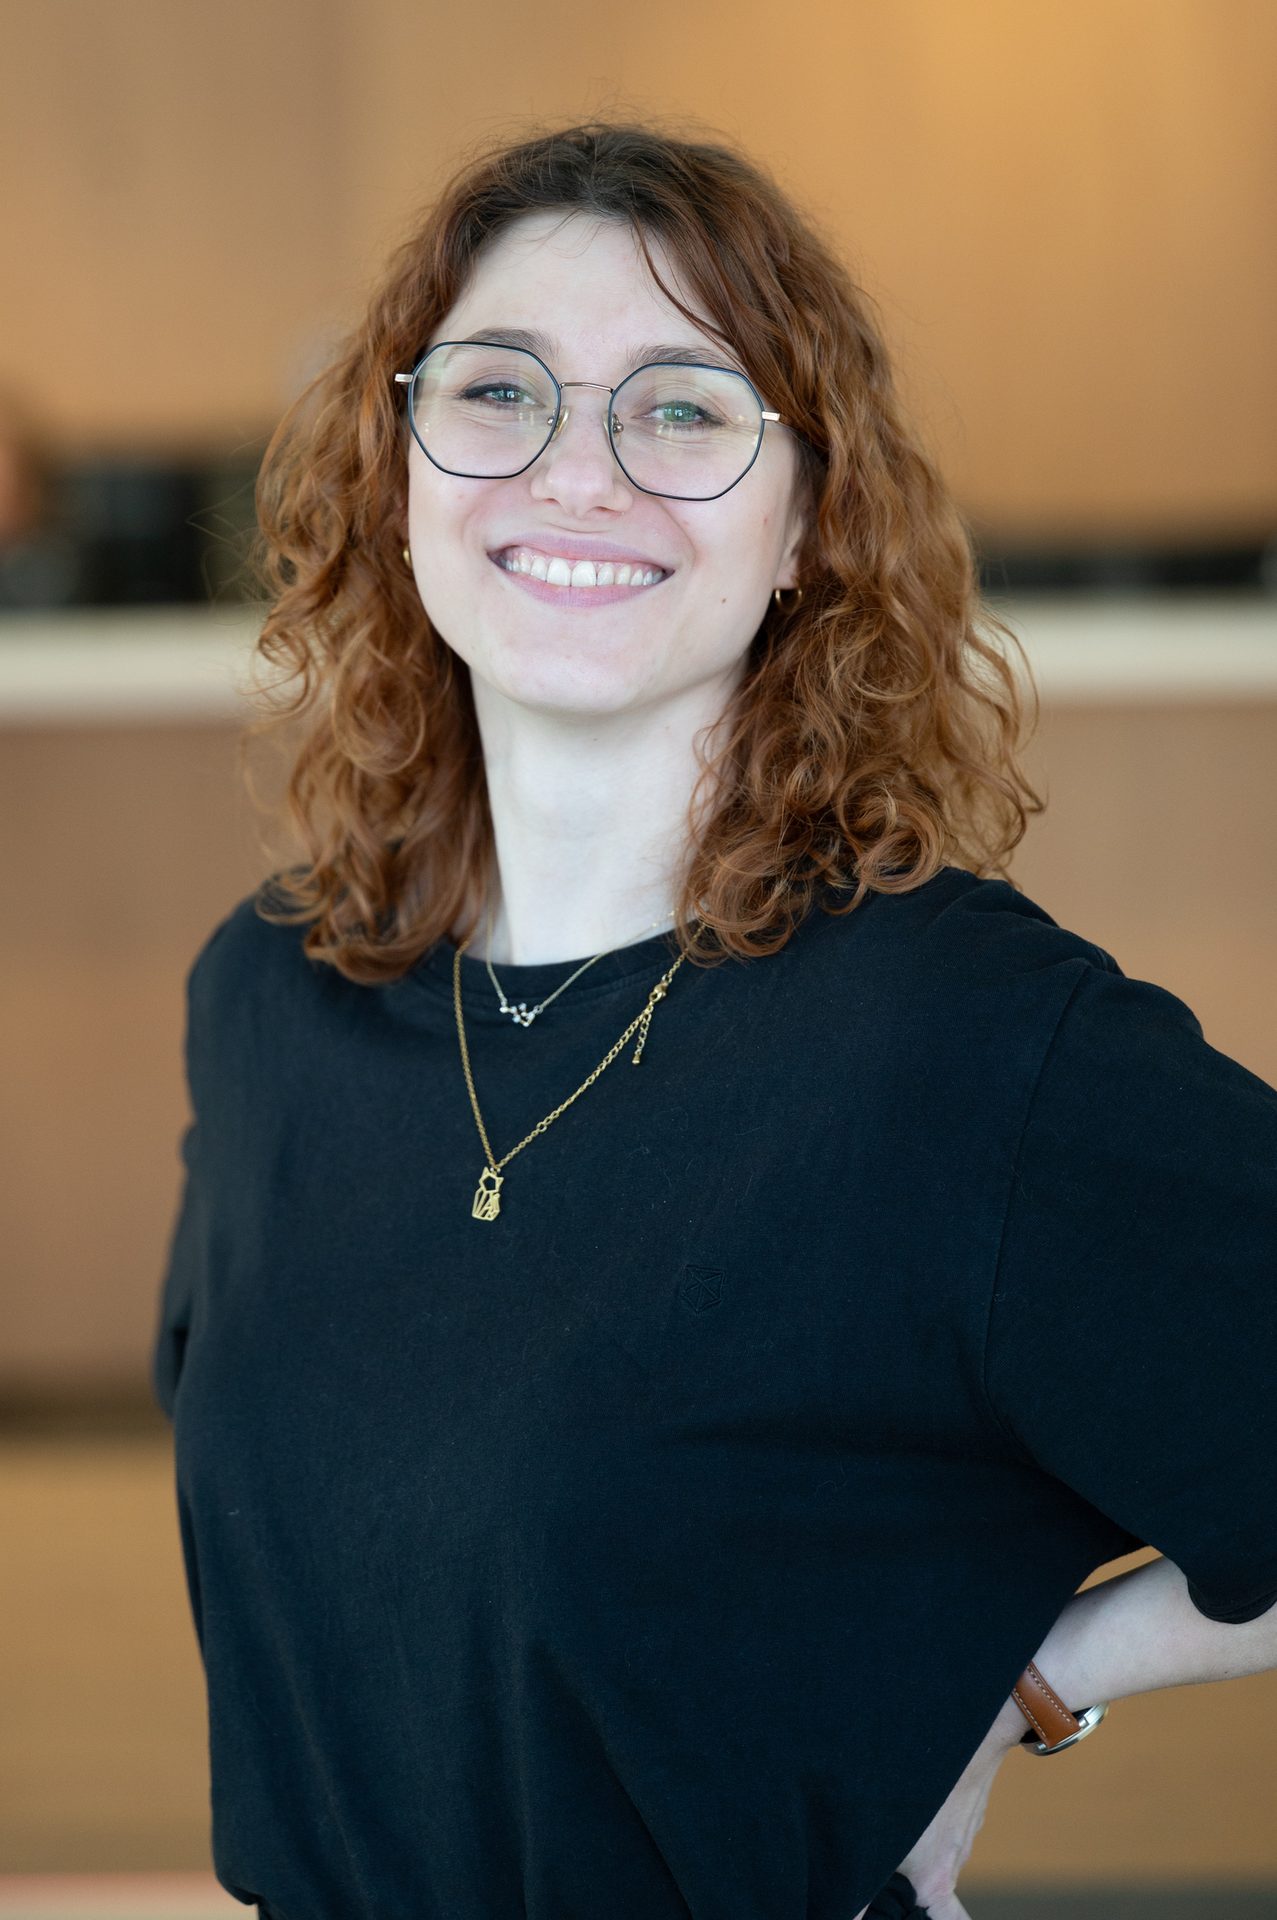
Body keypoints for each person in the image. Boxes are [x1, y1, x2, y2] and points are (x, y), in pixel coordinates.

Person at [150, 120, 1277, 1920]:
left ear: (805, 522)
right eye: (500, 391)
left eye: (680, 410)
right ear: (398, 470)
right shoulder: (273, 997)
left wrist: (1035, 1680)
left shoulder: (959, 1048)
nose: (576, 473)